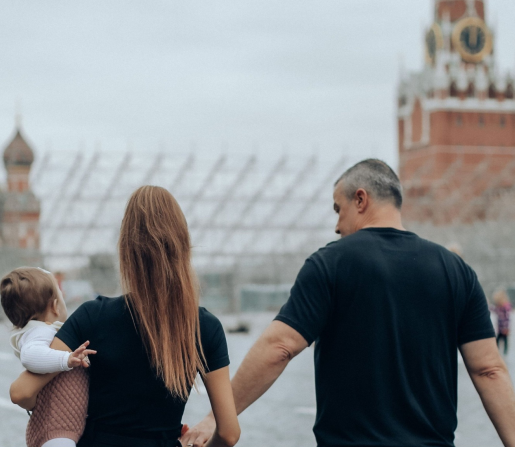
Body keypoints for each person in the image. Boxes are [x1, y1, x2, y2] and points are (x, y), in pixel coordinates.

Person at [182, 159, 515, 447]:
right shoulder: (456, 271)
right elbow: (489, 370)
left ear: (361, 199)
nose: (336, 225)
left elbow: (279, 346)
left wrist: (215, 418)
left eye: (338, 209)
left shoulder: (330, 264)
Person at [10, 185, 240, 447]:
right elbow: (229, 433)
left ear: (126, 249)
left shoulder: (93, 316)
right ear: (183, 247)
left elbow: (22, 392)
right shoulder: (204, 328)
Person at [0, 266, 95, 447]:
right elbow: (31, 356)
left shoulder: (38, 331)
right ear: (54, 306)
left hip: (63, 424)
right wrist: (66, 359)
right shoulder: (40, 330)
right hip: (56, 427)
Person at [491, 290, 512, 355]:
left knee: (503, 339)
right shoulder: (499, 307)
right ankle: (498, 351)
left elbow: (507, 318)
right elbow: (494, 310)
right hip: (500, 327)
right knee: (499, 339)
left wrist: (505, 328)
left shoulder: (505, 307)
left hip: (504, 327)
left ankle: (505, 352)